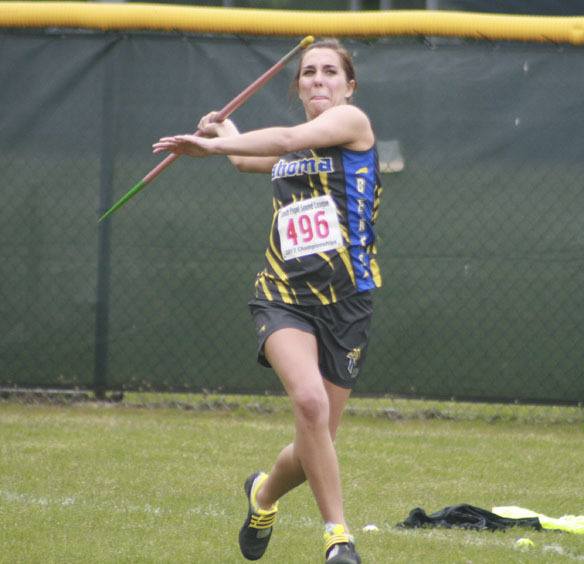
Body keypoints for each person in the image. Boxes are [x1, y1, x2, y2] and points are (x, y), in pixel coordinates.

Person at [153, 38, 382, 564]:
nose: (318, 80)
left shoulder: (352, 125)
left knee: (311, 447)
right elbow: (248, 160)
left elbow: (287, 135)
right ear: (298, 85)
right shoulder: (293, 148)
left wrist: (209, 147)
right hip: (282, 297)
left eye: (330, 72)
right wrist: (225, 134)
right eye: (308, 73)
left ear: (349, 86)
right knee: (309, 404)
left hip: (348, 303)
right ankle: (337, 537)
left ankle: (262, 495)